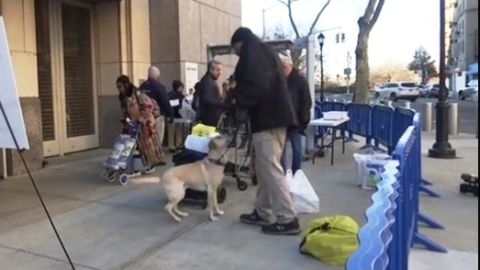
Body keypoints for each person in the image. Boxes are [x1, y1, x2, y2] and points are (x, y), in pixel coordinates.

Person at [229, 27, 300, 235]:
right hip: (273, 118)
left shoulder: (252, 51)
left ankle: (288, 218)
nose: (236, 55)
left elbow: (257, 86)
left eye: (235, 51)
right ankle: (263, 211)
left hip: (268, 119)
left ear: (239, 43)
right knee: (264, 168)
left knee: (270, 169)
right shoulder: (263, 51)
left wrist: (237, 98)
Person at [116, 75, 162, 172]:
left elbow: (149, 105)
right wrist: (126, 120)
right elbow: (125, 110)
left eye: (120, 86)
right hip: (133, 124)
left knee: (148, 145)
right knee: (134, 145)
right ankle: (137, 166)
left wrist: (142, 118)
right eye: (117, 87)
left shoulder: (138, 93)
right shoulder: (123, 97)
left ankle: (150, 165)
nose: (119, 89)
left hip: (145, 123)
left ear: (126, 85)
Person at [280, 55, 312, 174]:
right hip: (282, 120)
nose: (282, 70)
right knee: (281, 150)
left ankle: (296, 172)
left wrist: (304, 119)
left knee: (297, 149)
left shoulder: (300, 80)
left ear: (291, 66)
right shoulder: (279, 80)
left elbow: (306, 101)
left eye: (284, 67)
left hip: (296, 120)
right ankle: (282, 173)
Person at [139, 66, 174, 164]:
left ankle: (147, 157)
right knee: (157, 138)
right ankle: (157, 159)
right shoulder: (159, 86)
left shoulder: (142, 87)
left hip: (145, 117)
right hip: (157, 117)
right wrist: (170, 115)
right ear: (158, 75)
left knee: (147, 139)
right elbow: (165, 102)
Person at [197, 60, 231, 127]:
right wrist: (224, 105)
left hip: (209, 118)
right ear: (211, 70)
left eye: (220, 70)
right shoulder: (208, 81)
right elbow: (207, 99)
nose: (220, 73)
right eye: (218, 70)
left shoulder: (209, 80)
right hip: (209, 119)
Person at [168, 80, 185, 152]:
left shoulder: (182, 96)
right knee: (171, 131)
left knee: (179, 130)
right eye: (181, 87)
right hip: (171, 114)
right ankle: (171, 146)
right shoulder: (170, 95)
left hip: (179, 115)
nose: (181, 89)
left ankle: (178, 144)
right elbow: (170, 104)